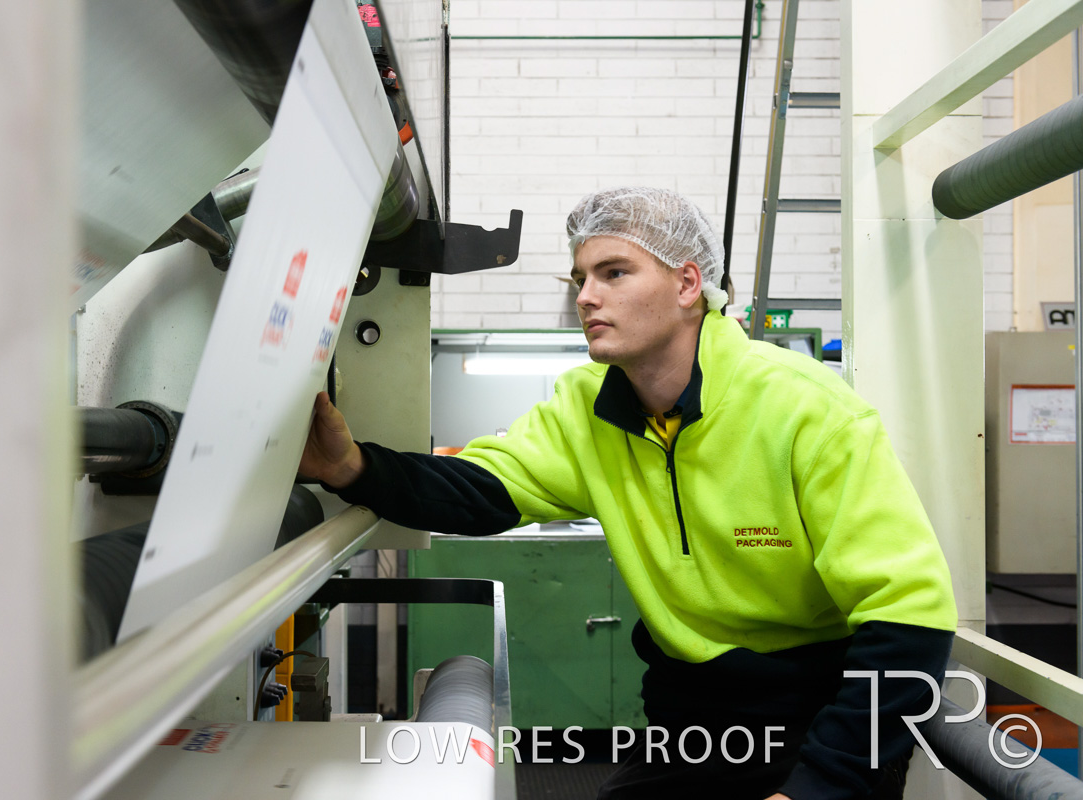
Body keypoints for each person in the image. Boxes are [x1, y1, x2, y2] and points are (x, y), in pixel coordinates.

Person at [300, 187, 957, 800]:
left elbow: (909, 616)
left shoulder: (807, 410)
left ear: (688, 285)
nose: (587, 297)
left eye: (614, 273)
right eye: (580, 278)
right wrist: (351, 467)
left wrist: (821, 783)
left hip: (820, 723)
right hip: (690, 724)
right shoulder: (588, 407)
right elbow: (483, 489)